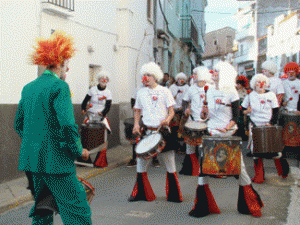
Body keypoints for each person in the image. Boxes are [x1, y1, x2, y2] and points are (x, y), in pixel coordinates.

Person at [14, 31, 92, 224]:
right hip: (56, 163)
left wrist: (37, 143)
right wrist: (77, 149)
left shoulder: (28, 87)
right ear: (60, 62)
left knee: (43, 210)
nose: (68, 68)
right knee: (78, 213)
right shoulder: (60, 87)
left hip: (32, 162)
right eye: (67, 63)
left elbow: (19, 125)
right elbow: (66, 124)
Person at [189, 61, 264, 218]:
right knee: (204, 168)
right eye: (213, 71)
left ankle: (250, 203)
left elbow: (235, 117)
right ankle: (202, 206)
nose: (213, 74)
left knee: (240, 169)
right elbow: (206, 115)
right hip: (211, 133)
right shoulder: (208, 91)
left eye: (216, 72)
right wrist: (204, 114)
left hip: (227, 134)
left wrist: (227, 127)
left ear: (224, 75)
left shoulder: (232, 92)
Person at [128, 62, 183, 202]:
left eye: (148, 75)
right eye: (144, 75)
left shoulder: (165, 91)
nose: (145, 78)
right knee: (140, 162)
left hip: (163, 132)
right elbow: (137, 110)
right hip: (147, 131)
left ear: (155, 76)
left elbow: (171, 111)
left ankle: (174, 195)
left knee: (170, 163)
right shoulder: (140, 92)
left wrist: (168, 120)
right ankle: (140, 193)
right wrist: (136, 124)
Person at [242, 74, 288, 183]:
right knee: (256, 152)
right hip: (255, 126)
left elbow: (276, 111)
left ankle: (283, 172)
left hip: (269, 126)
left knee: (275, 150)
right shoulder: (250, 96)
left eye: (263, 81)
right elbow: (242, 110)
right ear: (254, 84)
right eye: (258, 82)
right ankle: (259, 177)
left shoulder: (271, 95)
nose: (261, 84)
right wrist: (246, 112)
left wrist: (271, 123)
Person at [179, 66, 212, 176]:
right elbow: (184, 102)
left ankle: (205, 169)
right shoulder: (191, 88)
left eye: (196, 74)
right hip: (192, 121)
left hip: (205, 122)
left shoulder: (210, 87)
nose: (194, 76)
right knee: (190, 146)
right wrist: (185, 110)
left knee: (204, 147)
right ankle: (193, 170)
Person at [81, 70, 112, 167]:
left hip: (101, 118)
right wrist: (83, 108)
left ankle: (100, 160)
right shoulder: (92, 90)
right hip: (90, 116)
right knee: (84, 134)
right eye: (102, 78)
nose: (104, 80)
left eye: (106, 79)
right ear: (98, 80)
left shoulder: (108, 92)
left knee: (104, 137)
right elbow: (85, 101)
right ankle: (85, 159)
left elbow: (108, 106)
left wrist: (102, 113)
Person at [169, 72, 189, 153]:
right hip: (174, 110)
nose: (181, 81)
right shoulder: (172, 87)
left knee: (184, 128)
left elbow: (188, 98)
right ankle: (175, 146)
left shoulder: (187, 87)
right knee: (175, 128)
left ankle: (183, 146)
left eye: (183, 79)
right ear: (177, 79)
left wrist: (184, 107)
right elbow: (169, 98)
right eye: (180, 79)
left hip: (184, 111)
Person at [236, 75, 250, 140]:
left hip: (243, 107)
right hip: (237, 107)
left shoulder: (246, 91)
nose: (237, 85)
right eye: (237, 84)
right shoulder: (235, 91)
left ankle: (243, 133)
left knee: (243, 121)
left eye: (239, 84)